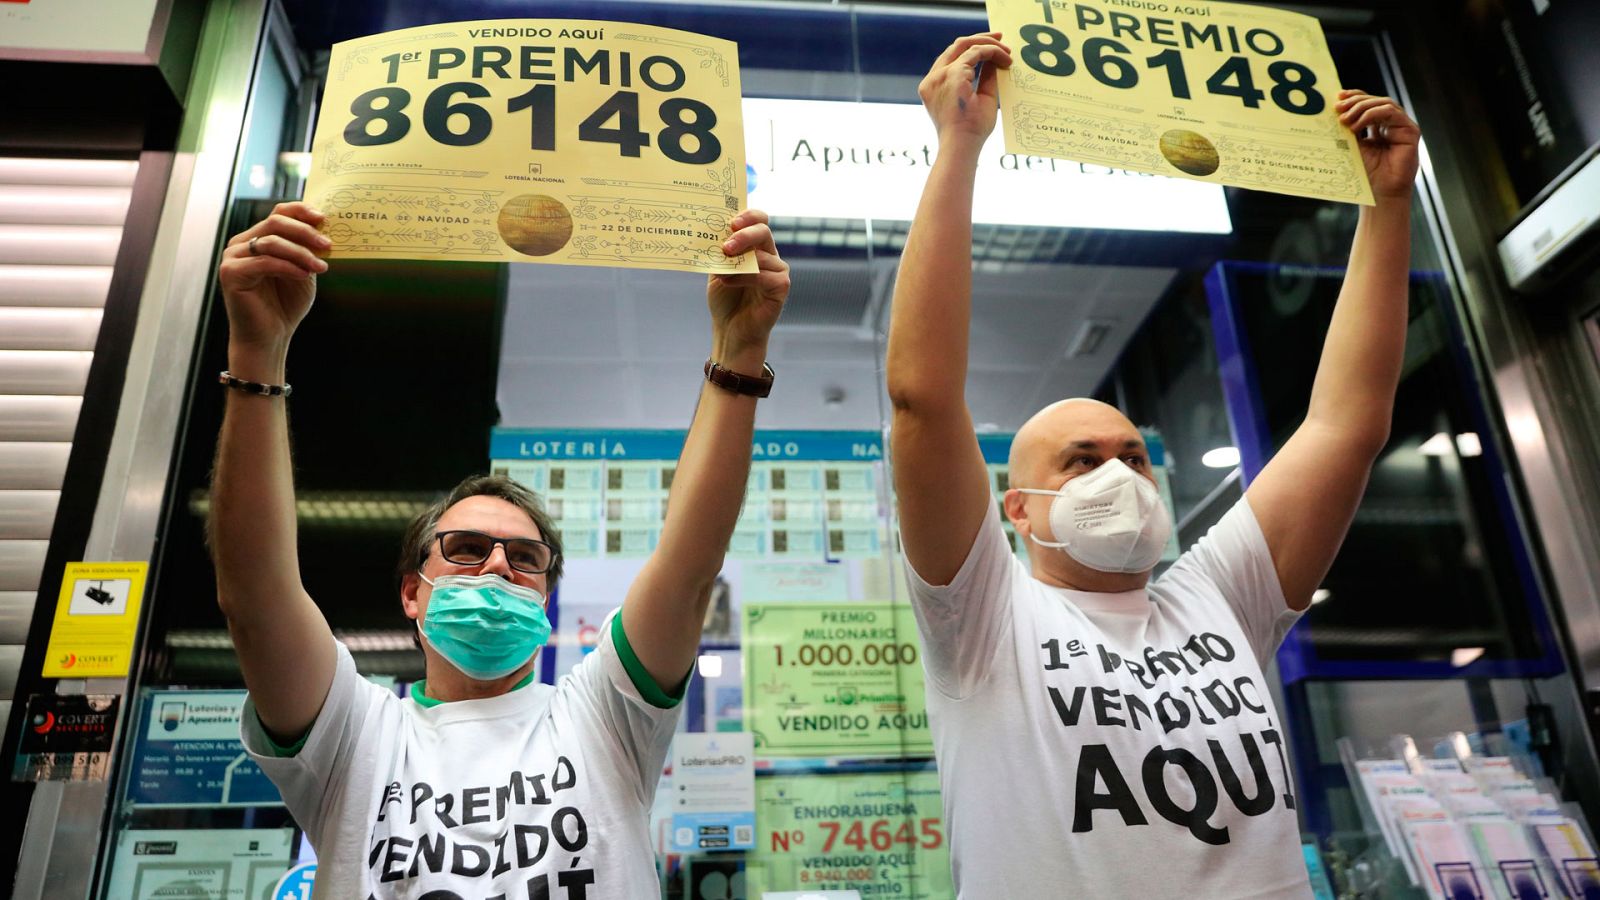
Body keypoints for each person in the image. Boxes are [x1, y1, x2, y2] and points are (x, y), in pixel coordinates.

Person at [887, 33, 1420, 899]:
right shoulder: (981, 620)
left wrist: (1387, 203)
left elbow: (1345, 425)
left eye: (1133, 456)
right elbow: (921, 397)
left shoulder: (1216, 596)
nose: (1119, 477)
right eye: (1082, 461)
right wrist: (958, 149)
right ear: (1016, 510)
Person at [211, 201, 788, 896]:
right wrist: (257, 351)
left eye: (525, 559)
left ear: (545, 595)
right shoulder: (352, 735)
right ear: (411, 591)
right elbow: (255, 598)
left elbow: (690, 565)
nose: (496, 567)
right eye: (465, 547)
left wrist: (741, 351)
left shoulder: (604, 716)